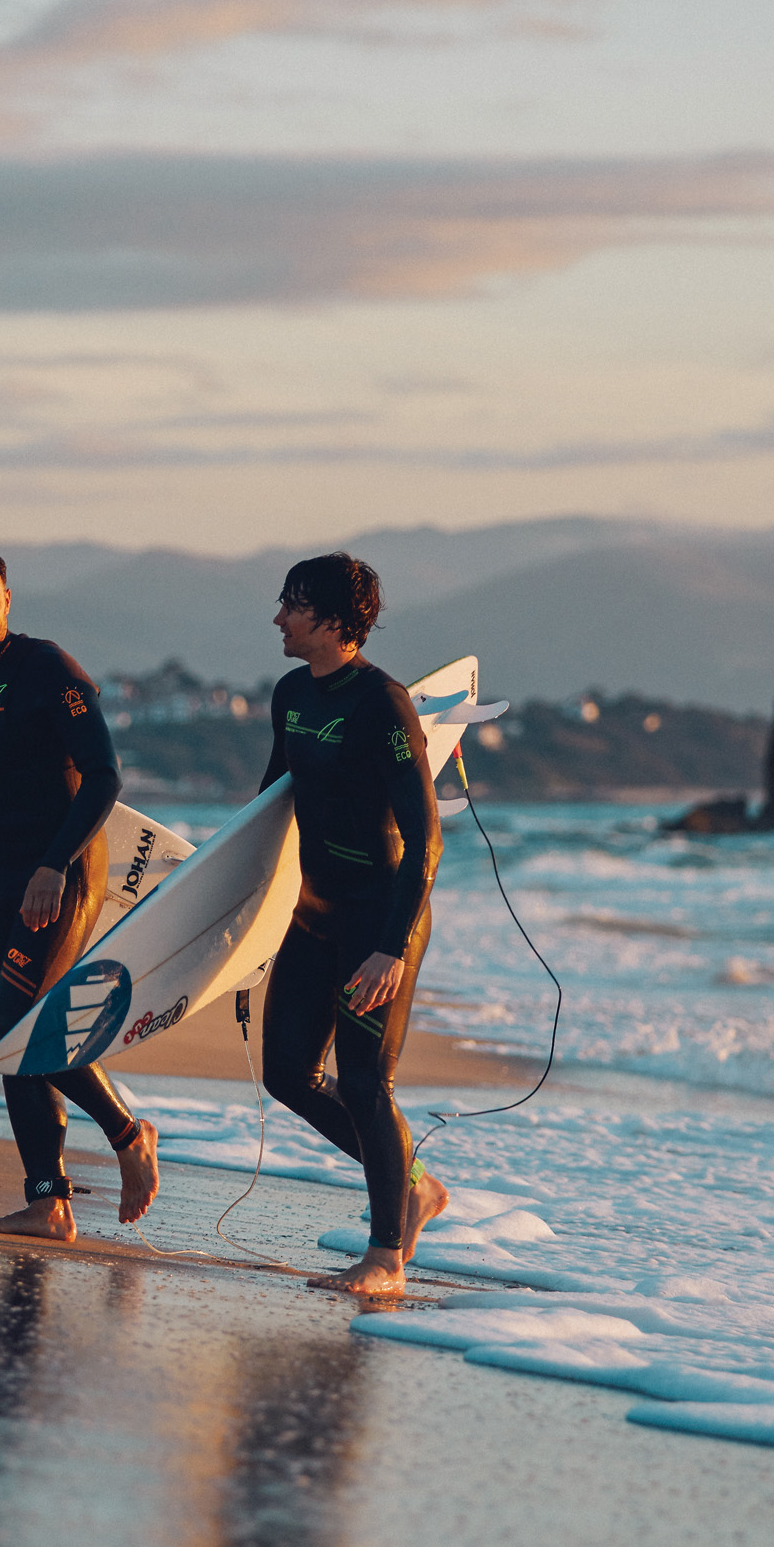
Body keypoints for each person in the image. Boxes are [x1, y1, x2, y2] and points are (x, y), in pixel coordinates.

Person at [0, 545, 162, 1240]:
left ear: (8, 597)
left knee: (26, 1027)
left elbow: (104, 775)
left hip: (61, 872)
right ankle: (47, 1203)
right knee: (8, 1036)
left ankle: (128, 1135)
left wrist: (55, 866)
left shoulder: (46, 668)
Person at [256, 552, 448, 1296]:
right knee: (288, 1076)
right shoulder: (290, 694)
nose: (279, 617)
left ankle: (386, 1257)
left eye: (293, 605)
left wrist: (391, 949)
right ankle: (419, 1186)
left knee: (367, 1083)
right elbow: (269, 806)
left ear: (336, 619)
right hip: (312, 915)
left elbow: (426, 838)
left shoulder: (382, 702)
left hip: (377, 920)